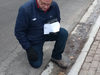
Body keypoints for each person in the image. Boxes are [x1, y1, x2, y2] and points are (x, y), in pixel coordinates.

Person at [14, 0, 68, 69]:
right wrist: (28, 48)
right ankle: (35, 49)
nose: (46, 7)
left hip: (48, 33)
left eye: (48, 4)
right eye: (43, 4)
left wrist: (53, 29)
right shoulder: (25, 9)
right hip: (34, 38)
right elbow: (19, 31)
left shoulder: (54, 5)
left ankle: (56, 57)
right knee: (36, 64)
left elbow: (57, 20)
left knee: (63, 33)